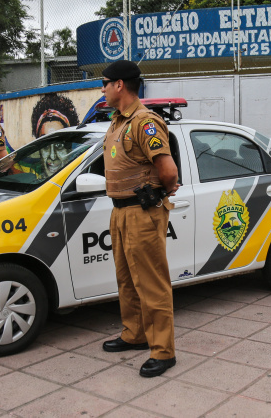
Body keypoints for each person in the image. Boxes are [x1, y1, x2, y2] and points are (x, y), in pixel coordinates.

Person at [99, 60, 180, 378]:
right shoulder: (117, 121)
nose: (102, 89)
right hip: (120, 211)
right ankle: (134, 333)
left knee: (152, 283)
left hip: (142, 213)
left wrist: (161, 193)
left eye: (104, 83)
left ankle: (164, 350)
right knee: (127, 279)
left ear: (119, 85)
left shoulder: (144, 122)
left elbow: (169, 171)